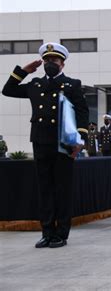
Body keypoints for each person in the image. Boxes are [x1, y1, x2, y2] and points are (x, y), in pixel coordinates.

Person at [2, 42, 89, 248]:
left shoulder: (72, 85)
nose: (51, 63)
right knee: (45, 190)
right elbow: (7, 90)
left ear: (62, 64)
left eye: (55, 60)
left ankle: (61, 234)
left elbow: (82, 112)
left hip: (63, 144)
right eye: (47, 60)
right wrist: (23, 72)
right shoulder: (35, 85)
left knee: (62, 189)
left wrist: (80, 140)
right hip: (40, 142)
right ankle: (47, 232)